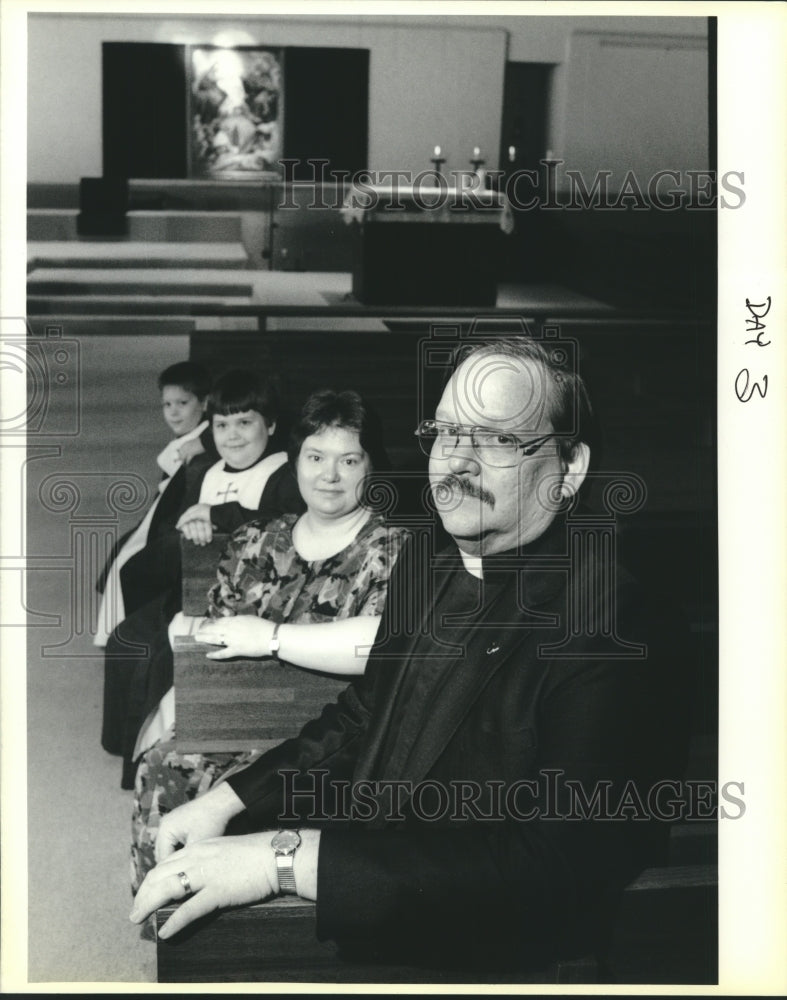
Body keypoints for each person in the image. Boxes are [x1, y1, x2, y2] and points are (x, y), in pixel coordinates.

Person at [130, 337, 689, 976]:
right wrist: (227, 801)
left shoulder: (616, 625)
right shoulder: (431, 556)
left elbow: (550, 867)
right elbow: (363, 715)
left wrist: (283, 860)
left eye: (499, 440)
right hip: (368, 877)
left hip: (481, 951)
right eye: (447, 432)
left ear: (570, 465)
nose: (459, 462)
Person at [130, 388, 409, 896]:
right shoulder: (255, 540)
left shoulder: (391, 548)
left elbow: (379, 645)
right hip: (238, 719)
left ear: (371, 465)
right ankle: (172, 931)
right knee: (161, 764)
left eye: (349, 459)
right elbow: (211, 648)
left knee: (222, 790)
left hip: (332, 742)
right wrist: (175, 704)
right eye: (316, 457)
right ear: (295, 460)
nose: (330, 475)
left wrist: (271, 639)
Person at [102, 369, 304, 787]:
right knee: (127, 639)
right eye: (221, 425)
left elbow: (286, 524)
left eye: (245, 423)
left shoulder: (285, 474)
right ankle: (132, 754)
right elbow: (180, 526)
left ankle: (174, 756)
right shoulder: (206, 471)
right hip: (195, 588)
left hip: (255, 606)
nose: (232, 436)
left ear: (270, 425)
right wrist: (189, 529)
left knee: (162, 656)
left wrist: (218, 517)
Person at [94, 360, 214, 648]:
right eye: (166, 404)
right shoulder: (188, 439)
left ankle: (125, 635)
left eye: (182, 403)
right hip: (165, 514)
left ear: (205, 402)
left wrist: (207, 441)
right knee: (122, 554)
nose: (173, 412)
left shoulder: (207, 439)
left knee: (130, 561)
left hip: (182, 520)